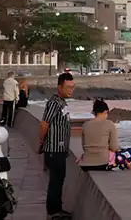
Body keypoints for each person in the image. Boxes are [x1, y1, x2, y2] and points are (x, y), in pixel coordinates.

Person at [38, 72, 75, 220]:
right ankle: (53, 212)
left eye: (73, 87)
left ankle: (57, 209)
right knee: (55, 180)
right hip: (53, 149)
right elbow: (44, 123)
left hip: (60, 149)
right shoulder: (54, 103)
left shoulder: (62, 102)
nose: (71, 90)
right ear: (59, 87)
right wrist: (41, 141)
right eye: (68, 87)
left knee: (59, 179)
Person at [79, 99, 120, 171]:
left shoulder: (85, 125)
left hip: (85, 165)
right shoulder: (110, 124)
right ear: (105, 112)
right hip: (103, 163)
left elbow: (84, 147)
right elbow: (114, 147)